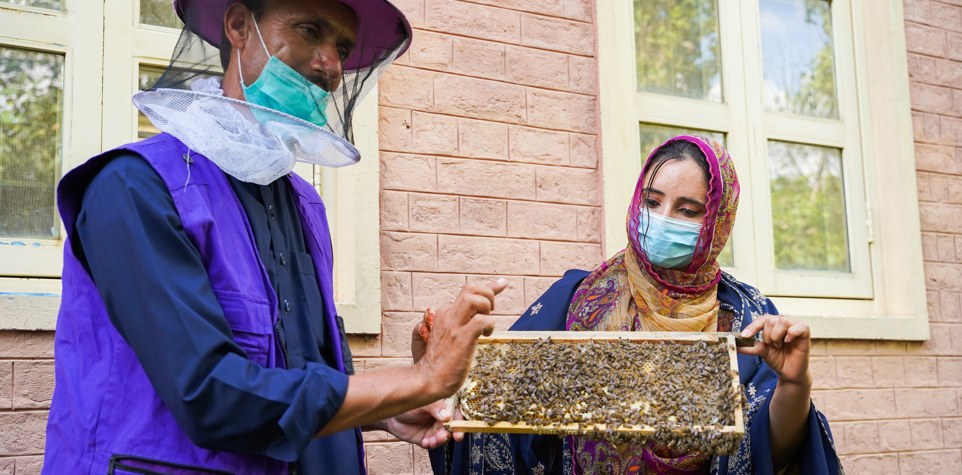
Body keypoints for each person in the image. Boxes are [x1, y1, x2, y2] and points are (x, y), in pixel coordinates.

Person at [43, 0, 506, 473]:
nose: (330, 64)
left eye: (343, 47)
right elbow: (211, 394)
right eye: (309, 30)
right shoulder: (133, 187)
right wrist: (420, 380)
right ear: (239, 26)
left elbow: (296, 376)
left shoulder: (305, 204)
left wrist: (385, 410)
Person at [428, 136, 843, 474]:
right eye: (652, 202)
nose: (662, 218)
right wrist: (434, 359)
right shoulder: (577, 299)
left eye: (687, 210)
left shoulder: (750, 318)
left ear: (718, 220)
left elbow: (776, 451)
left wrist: (794, 383)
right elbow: (487, 411)